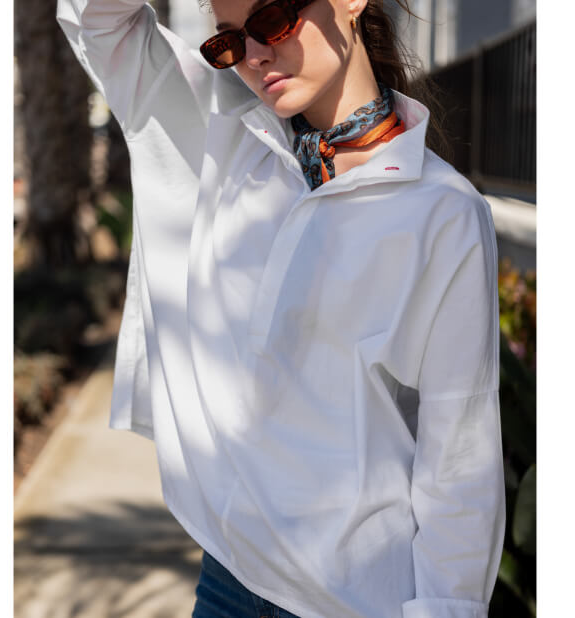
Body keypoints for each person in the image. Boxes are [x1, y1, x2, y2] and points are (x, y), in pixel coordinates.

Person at [56, 1, 506, 617]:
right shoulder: (216, 136)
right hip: (228, 580)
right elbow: (92, 15)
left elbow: (457, 462)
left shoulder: (443, 213)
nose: (255, 55)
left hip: (355, 600)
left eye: (272, 20)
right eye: (229, 41)